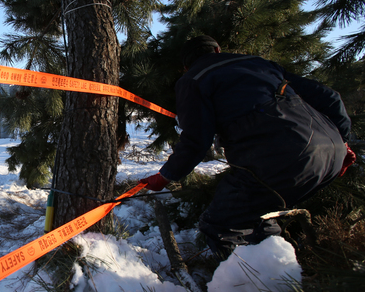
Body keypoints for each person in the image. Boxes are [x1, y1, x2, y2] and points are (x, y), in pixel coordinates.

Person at [140, 35, 356, 258]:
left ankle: (252, 279)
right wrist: (342, 142)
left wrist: (166, 176)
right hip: (332, 153)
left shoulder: (193, 80)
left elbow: (195, 141)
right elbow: (330, 97)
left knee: (221, 225)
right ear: (217, 50)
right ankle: (284, 268)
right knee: (258, 216)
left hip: (278, 160)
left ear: (186, 66)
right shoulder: (260, 63)